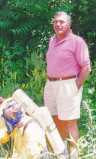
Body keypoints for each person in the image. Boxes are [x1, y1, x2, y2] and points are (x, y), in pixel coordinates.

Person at [44, 11, 91, 157]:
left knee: (69, 121)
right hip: (51, 84)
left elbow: (86, 67)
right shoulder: (52, 41)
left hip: (68, 84)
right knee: (54, 118)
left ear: (69, 24)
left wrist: (75, 85)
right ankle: (61, 152)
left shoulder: (77, 42)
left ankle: (74, 154)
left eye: (62, 22)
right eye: (56, 22)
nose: (58, 24)